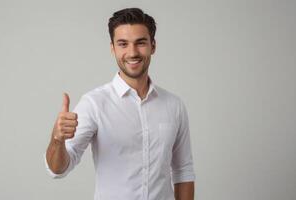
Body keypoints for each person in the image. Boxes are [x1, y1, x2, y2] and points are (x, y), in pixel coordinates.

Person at [45, 7, 195, 200]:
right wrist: (57, 140)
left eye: (140, 43)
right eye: (123, 44)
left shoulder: (174, 106)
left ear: (153, 46)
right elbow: (57, 170)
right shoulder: (94, 104)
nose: (132, 52)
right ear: (112, 48)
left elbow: (183, 171)